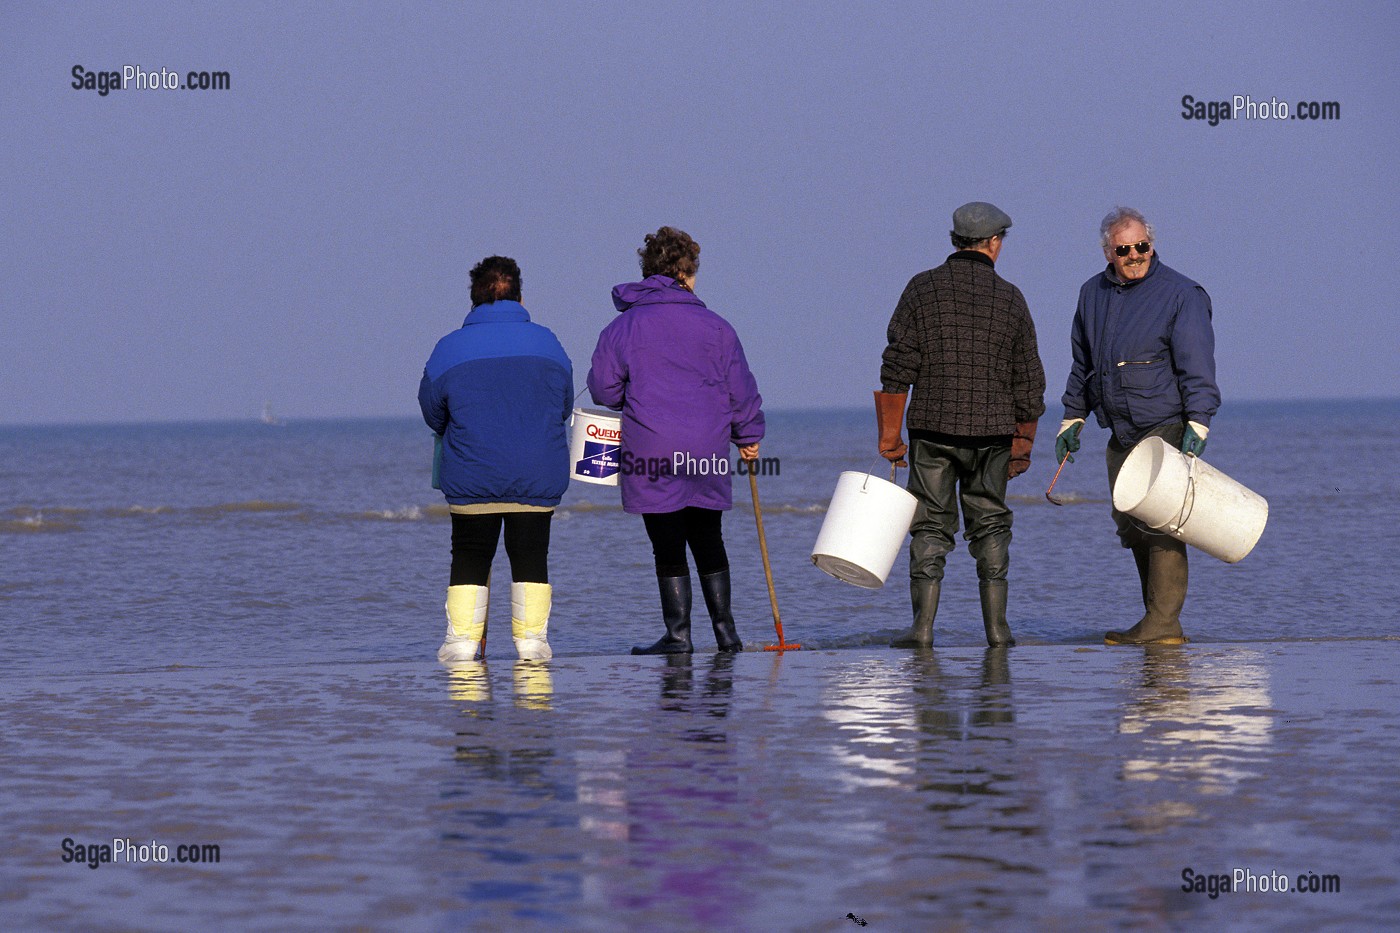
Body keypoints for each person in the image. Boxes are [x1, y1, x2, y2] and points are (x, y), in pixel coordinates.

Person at [587, 227, 765, 655]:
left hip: (651, 447)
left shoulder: (623, 327)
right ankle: (726, 634)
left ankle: (679, 636)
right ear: (687, 273)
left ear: (649, 271)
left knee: (666, 543)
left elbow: (604, 392)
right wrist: (749, 435)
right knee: (708, 537)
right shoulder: (717, 326)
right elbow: (740, 389)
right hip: (706, 447)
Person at [877, 202, 1046, 648]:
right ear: (993, 242)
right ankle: (997, 630)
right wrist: (1023, 444)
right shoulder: (1011, 298)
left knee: (931, 528)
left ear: (955, 239)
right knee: (990, 526)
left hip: (933, 433)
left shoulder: (921, 289)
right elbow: (1029, 380)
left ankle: (922, 630)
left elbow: (897, 366)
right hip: (992, 436)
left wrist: (889, 436)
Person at [1056, 207, 1220, 645]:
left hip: (1166, 426)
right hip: (1121, 432)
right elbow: (1084, 365)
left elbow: (1197, 365)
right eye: (1124, 249)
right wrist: (1073, 416)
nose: (1134, 256)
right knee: (1130, 523)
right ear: (1109, 252)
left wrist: (1199, 423)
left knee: (1161, 522)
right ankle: (1155, 619)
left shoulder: (1181, 294)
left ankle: (1163, 622)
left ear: (1152, 243)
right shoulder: (1092, 294)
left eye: (1141, 246)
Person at [419, 256, 573, 662]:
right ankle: (532, 644)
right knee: (531, 557)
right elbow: (563, 404)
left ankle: (462, 644)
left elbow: (432, 412)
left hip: (473, 475)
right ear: (521, 295)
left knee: (469, 556)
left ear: (473, 299)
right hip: (536, 473)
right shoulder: (548, 343)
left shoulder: (449, 347)